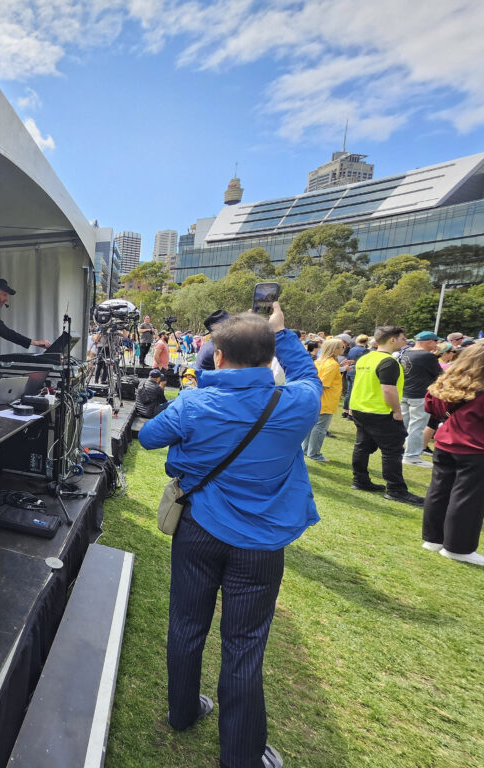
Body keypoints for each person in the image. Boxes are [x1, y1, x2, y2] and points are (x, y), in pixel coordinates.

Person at [139, 302, 319, 768]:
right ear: (269, 357)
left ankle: (183, 711)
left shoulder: (197, 403)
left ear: (218, 357)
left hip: (199, 531)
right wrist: (286, 333)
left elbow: (148, 437)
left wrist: (191, 444)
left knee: (186, 625)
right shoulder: (296, 402)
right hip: (260, 547)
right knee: (244, 646)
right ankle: (241, 756)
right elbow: (309, 379)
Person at [421, 343, 484, 566]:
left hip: (447, 441)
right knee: (468, 498)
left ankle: (434, 538)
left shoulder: (450, 381)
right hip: (475, 447)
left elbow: (431, 405)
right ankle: (458, 547)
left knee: (440, 490)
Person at [349, 326, 424, 506]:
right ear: (392, 340)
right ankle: (396, 489)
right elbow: (388, 389)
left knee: (362, 446)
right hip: (380, 411)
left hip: (360, 408)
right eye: (402, 338)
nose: (404, 342)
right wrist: (397, 411)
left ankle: (360, 480)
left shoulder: (365, 358)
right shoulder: (388, 362)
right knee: (392, 451)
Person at [400, 331, 444, 467]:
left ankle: (399, 451)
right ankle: (411, 456)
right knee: (416, 427)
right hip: (420, 395)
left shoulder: (406, 352)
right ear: (430, 341)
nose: (437, 344)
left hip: (405, 393)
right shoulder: (427, 356)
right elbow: (440, 375)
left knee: (404, 425)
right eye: (436, 341)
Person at [302, 337, 344, 462]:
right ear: (334, 349)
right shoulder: (332, 364)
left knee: (311, 427)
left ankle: (306, 450)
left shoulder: (319, 361)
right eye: (341, 346)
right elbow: (324, 383)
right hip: (325, 400)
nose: (344, 348)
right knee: (319, 429)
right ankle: (314, 454)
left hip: (316, 399)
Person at [342, 334, 371, 420]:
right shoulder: (365, 351)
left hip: (350, 370)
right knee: (355, 392)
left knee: (349, 392)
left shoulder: (352, 349)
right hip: (358, 371)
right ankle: (351, 413)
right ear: (366, 341)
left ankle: (345, 411)